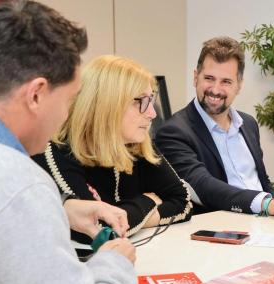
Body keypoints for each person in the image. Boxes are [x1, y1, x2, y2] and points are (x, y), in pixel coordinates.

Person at [0, 2, 138, 284]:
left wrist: (61, 210)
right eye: (69, 99)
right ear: (37, 93)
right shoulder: (13, 183)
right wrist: (113, 264)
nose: (67, 114)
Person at [33, 55, 193, 244]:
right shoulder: (58, 151)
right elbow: (97, 230)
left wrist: (126, 217)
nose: (152, 113)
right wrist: (148, 200)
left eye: (151, 100)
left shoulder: (136, 143)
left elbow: (183, 202)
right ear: (107, 105)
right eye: (140, 101)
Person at [155, 36, 274, 215]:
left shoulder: (249, 124)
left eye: (226, 82)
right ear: (195, 77)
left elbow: (261, 180)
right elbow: (202, 186)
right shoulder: (173, 132)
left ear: (239, 85)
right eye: (209, 78)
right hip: (223, 231)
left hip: (265, 221)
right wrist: (265, 204)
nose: (215, 89)